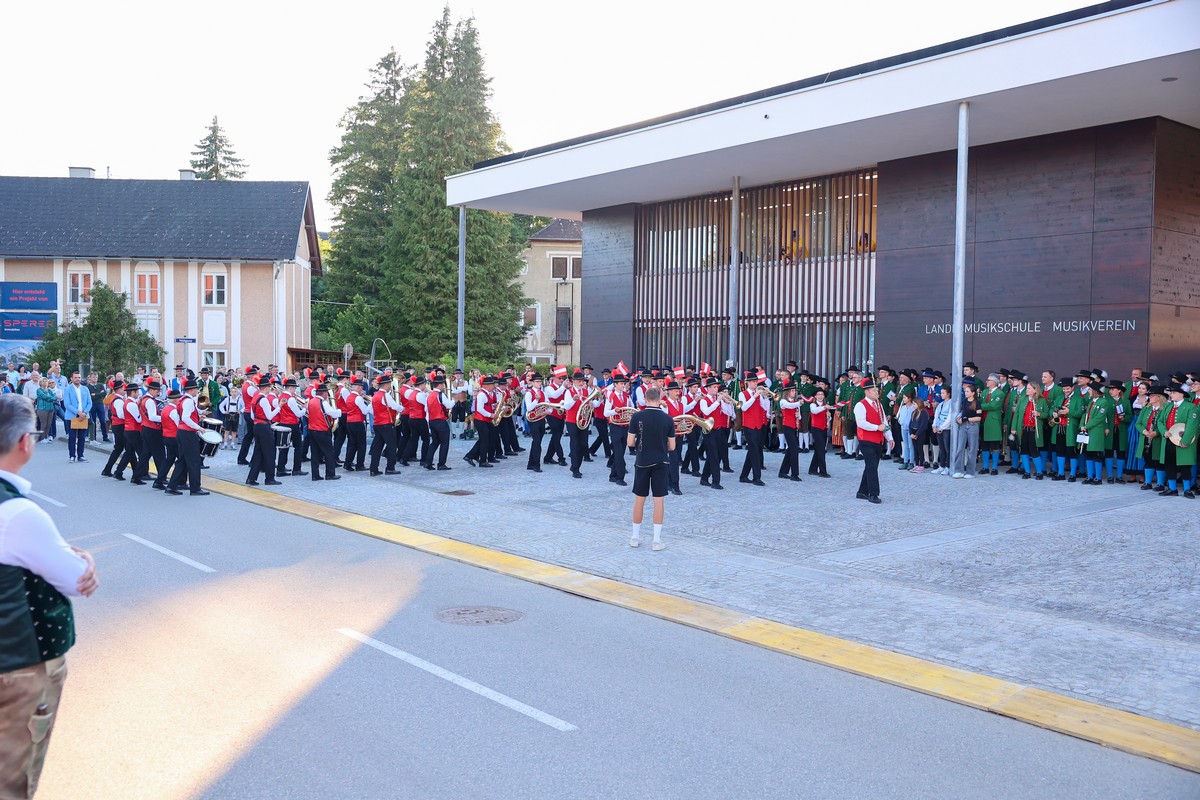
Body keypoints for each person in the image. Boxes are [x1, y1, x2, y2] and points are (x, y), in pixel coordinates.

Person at [0, 394, 99, 799]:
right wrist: (84, 555)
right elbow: (76, 579)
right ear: (25, 442)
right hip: (19, 664)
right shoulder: (19, 514)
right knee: (12, 780)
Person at [626, 386, 676, 551]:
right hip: (661, 462)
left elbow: (630, 443)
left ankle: (634, 537)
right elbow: (672, 446)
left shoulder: (637, 416)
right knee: (659, 501)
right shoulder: (668, 419)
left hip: (642, 461)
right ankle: (656, 540)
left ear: (646, 399)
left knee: (639, 499)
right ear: (660, 399)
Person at [166, 379, 210, 495]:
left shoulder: (181, 400)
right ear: (192, 390)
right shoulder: (189, 401)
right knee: (194, 461)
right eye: (196, 389)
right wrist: (198, 427)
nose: (197, 391)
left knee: (182, 461)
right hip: (188, 434)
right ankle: (195, 488)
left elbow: (184, 416)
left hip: (181, 432)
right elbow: (185, 418)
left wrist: (198, 416)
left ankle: (171, 486)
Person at [853, 375, 890, 503]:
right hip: (866, 440)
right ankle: (874, 494)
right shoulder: (860, 405)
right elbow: (861, 423)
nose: (877, 392)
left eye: (877, 390)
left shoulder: (879, 404)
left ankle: (861, 491)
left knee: (871, 466)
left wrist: (889, 437)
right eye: (875, 390)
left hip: (878, 440)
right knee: (872, 466)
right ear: (867, 391)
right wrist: (877, 428)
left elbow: (884, 421)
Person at [953, 381, 982, 479]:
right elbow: (962, 412)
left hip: (972, 426)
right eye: (965, 391)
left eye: (968, 391)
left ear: (973, 393)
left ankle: (970, 471)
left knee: (972, 449)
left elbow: (979, 418)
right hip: (963, 426)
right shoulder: (964, 401)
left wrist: (968, 419)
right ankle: (958, 470)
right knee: (960, 447)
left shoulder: (977, 403)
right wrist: (959, 418)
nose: (966, 393)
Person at [62, 371, 92, 464]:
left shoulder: (85, 389)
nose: (77, 379)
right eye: (75, 377)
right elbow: (67, 404)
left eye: (79, 377)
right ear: (71, 379)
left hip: (84, 416)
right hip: (72, 416)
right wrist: (78, 412)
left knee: (82, 437)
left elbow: (89, 402)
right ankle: (72, 455)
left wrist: (85, 412)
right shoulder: (67, 389)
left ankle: (81, 455)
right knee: (72, 437)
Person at [807, 386, 831, 477]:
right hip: (816, 428)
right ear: (815, 396)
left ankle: (812, 469)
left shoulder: (825, 406)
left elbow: (827, 418)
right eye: (819, 394)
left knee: (818, 449)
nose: (820, 396)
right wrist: (824, 407)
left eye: (822, 394)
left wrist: (829, 416)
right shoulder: (813, 405)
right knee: (821, 449)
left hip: (823, 428)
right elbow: (815, 411)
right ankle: (822, 471)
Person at [931, 385, 954, 475]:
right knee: (941, 448)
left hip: (946, 429)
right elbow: (936, 416)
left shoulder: (951, 404)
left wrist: (941, 427)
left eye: (943, 393)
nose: (941, 395)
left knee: (947, 448)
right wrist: (934, 426)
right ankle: (942, 466)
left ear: (948, 394)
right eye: (941, 393)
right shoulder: (941, 404)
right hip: (939, 428)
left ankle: (948, 466)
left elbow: (949, 418)